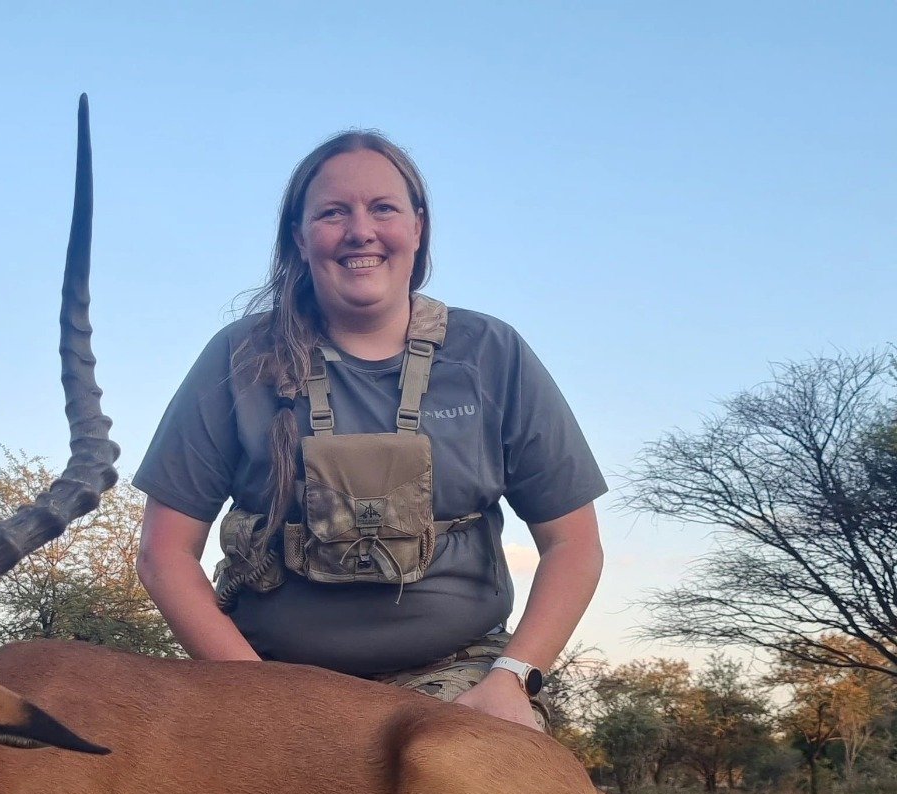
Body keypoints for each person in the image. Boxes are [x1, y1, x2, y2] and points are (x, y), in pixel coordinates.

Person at [134, 131, 604, 731]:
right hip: (269, 677)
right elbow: (164, 553)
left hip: (463, 677)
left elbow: (574, 545)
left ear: (417, 228)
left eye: (383, 208)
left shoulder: (492, 353)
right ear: (299, 239)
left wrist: (513, 677)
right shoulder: (238, 356)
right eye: (333, 213)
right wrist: (255, 692)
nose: (360, 231)